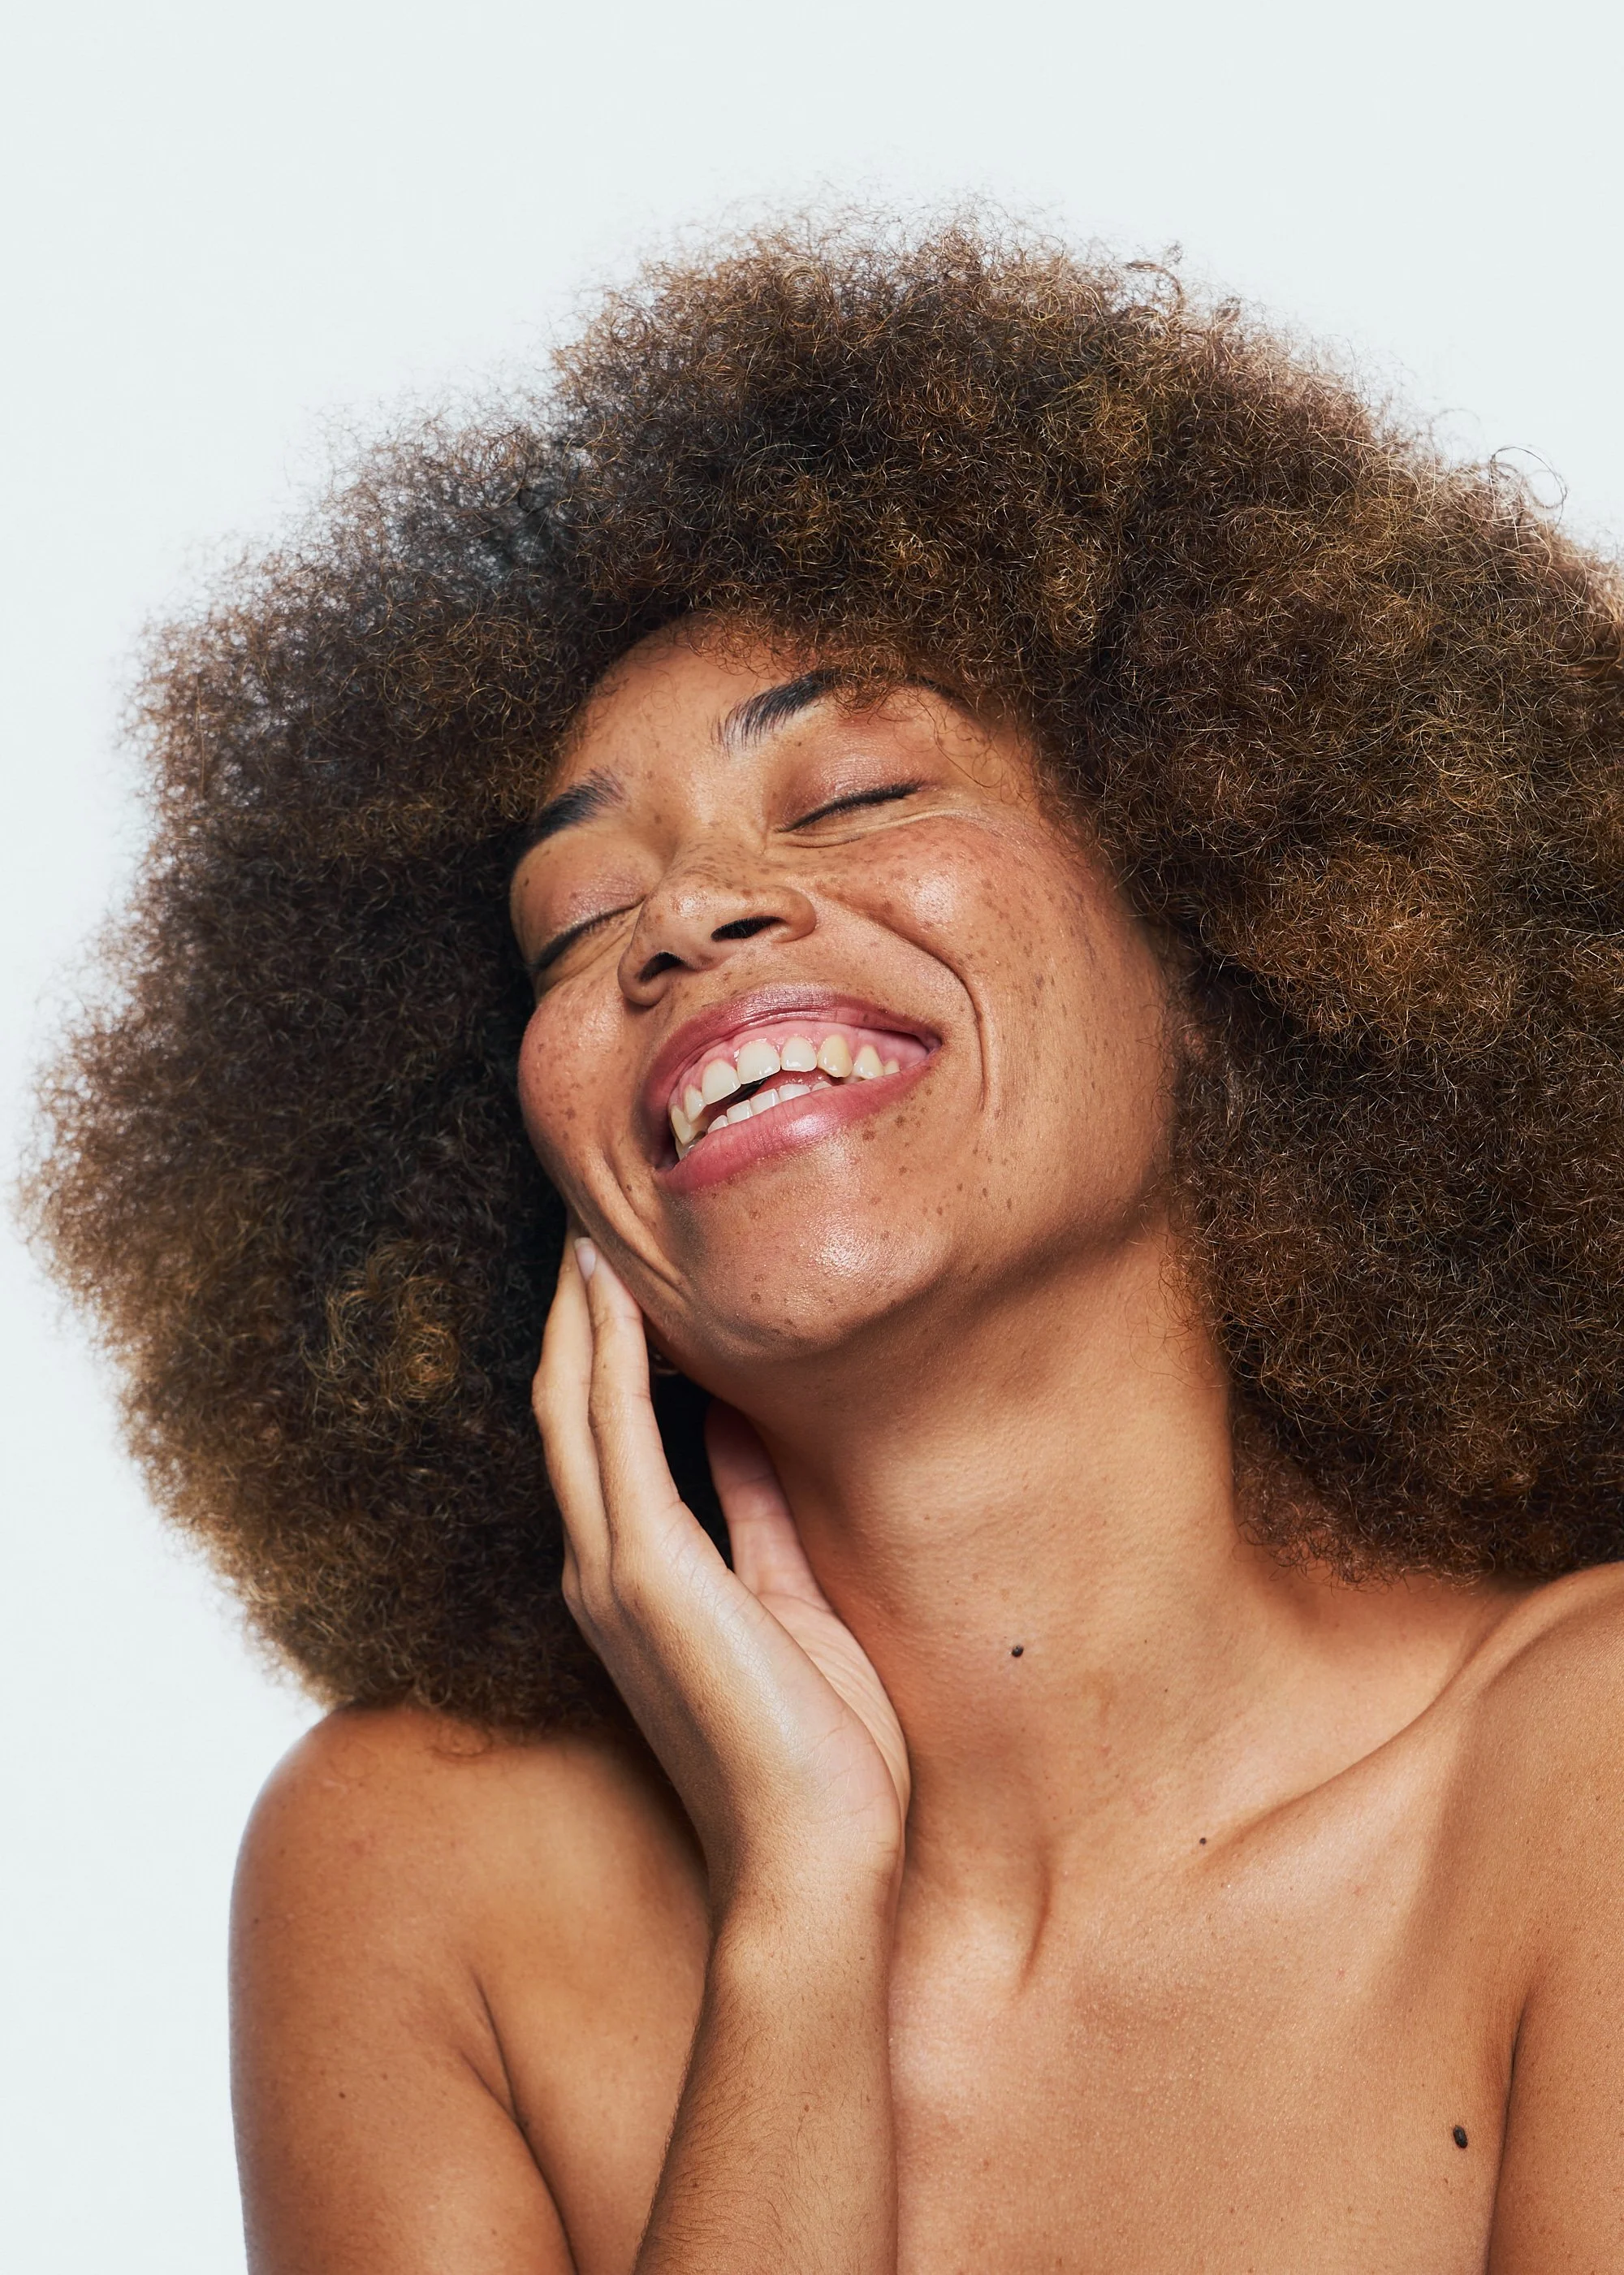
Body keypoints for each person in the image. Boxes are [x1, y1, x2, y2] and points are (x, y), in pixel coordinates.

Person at [29, 227, 1624, 2272]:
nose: (687, 919)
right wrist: (798, 1909)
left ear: (1236, 937)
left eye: (855, 792)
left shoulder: (1582, 1765)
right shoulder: (418, 1878)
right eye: (576, 923)